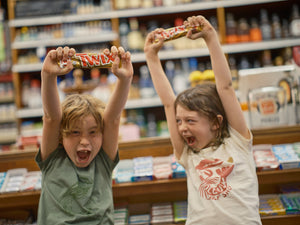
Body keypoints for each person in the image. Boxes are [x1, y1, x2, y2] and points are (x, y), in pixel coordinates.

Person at [144, 15, 262, 225]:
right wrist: (151, 57)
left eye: (190, 121)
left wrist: (210, 38)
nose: (182, 128)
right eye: (179, 121)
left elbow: (225, 88)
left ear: (216, 122)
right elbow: (169, 104)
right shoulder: (188, 154)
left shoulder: (237, 142)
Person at [35, 46, 133, 224]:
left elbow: (112, 120)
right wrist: (48, 75)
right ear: (60, 136)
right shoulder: (52, 159)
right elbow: (51, 118)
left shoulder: (103, 159)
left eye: (93, 132)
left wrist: (125, 79)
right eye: (75, 132)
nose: (85, 141)